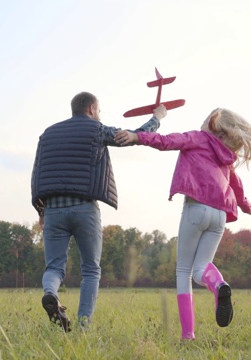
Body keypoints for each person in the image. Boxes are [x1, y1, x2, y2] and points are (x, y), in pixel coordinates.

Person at [115, 107, 251, 339]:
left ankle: (188, 334)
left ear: (212, 122)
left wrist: (137, 136)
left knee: (184, 271)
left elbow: (167, 141)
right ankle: (219, 285)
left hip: (196, 209)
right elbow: (236, 184)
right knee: (201, 268)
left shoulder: (198, 138)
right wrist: (246, 205)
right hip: (220, 214)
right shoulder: (226, 156)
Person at [31, 92, 167, 331]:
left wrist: (41, 210)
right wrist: (157, 118)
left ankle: (51, 293)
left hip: (53, 209)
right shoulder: (97, 130)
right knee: (91, 269)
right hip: (85, 209)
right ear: (92, 108)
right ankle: (83, 326)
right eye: (100, 111)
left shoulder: (47, 134)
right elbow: (134, 137)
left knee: (54, 267)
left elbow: (37, 174)